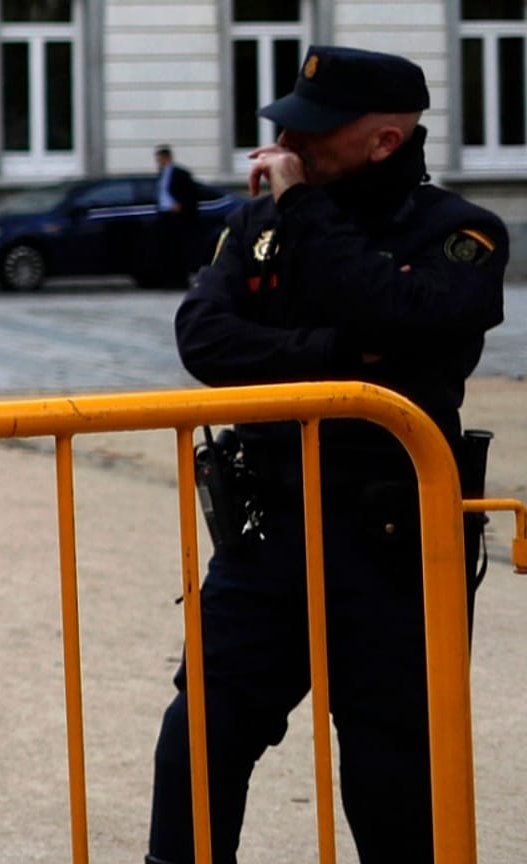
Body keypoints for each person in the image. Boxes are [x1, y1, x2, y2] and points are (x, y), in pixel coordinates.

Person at [147, 45, 506, 864]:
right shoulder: (259, 224)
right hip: (266, 528)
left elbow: (393, 311)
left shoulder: (460, 232)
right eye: (289, 127)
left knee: (392, 765)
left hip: (393, 544)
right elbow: (204, 338)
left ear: (384, 141)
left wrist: (304, 211)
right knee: (201, 735)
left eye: (313, 130)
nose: (288, 144)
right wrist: (343, 353)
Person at [155, 144, 199, 288]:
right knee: (166, 248)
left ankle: (181, 279)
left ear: (167, 157)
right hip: (164, 214)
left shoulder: (180, 174)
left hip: (178, 216)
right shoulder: (161, 174)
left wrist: (181, 205)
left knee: (179, 248)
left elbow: (191, 194)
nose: (158, 161)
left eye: (160, 158)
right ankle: (169, 279)